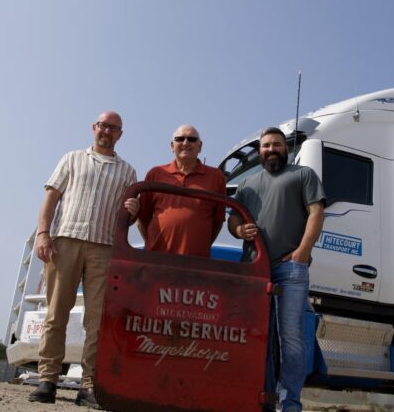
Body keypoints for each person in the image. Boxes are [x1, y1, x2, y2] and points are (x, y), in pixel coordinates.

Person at [29, 111, 139, 409]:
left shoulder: (128, 172)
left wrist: (134, 209)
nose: (106, 131)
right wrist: (42, 233)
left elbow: (127, 218)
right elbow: (50, 199)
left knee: (97, 321)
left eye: (113, 128)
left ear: (120, 134)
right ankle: (47, 380)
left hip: (104, 248)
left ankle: (89, 385)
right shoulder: (71, 159)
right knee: (55, 315)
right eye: (102, 126)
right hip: (65, 240)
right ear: (94, 128)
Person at [228, 127, 325, 412]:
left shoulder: (303, 175)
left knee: (291, 338)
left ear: (286, 149)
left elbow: (317, 212)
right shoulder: (247, 185)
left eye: (277, 144)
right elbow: (232, 220)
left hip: (290, 269)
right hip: (254, 271)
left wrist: (301, 253)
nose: (271, 149)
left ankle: (290, 402)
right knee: (260, 339)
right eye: (266, 145)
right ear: (260, 151)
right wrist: (239, 230)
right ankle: (265, 401)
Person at [137, 124, 226, 257]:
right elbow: (142, 218)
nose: (185, 143)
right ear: (172, 146)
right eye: (180, 139)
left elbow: (217, 221)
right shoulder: (155, 174)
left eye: (191, 139)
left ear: (200, 146)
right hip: (156, 260)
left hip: (196, 263)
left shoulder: (216, 177)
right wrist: (153, 243)